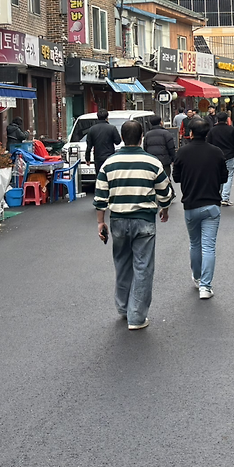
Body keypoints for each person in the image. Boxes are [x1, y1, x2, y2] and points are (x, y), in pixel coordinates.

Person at [94, 119, 173, 330]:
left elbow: (100, 196)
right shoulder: (152, 162)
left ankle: (122, 307)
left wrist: (101, 222)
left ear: (121, 138)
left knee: (122, 263)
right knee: (143, 266)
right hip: (144, 220)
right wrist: (164, 209)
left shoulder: (109, 163)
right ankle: (136, 316)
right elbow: (165, 192)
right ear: (141, 138)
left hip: (118, 219)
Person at [173, 117, 229, 299]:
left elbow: (176, 177)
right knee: (209, 246)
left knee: (195, 243)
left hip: (190, 204)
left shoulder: (182, 152)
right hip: (212, 204)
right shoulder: (216, 152)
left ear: (190, 133)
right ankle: (205, 287)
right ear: (207, 133)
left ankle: (197, 277)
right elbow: (224, 177)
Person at [206, 109, 234, 206]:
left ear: (217, 119)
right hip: (230, 155)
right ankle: (225, 197)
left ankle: (218, 195)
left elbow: (208, 144)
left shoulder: (212, 131)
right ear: (227, 119)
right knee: (229, 176)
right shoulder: (232, 130)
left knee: (218, 176)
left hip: (216, 157)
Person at [84, 108, 122, 175]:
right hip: (110, 157)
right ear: (107, 118)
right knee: (110, 175)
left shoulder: (92, 129)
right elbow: (118, 142)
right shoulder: (112, 128)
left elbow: (89, 146)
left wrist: (87, 159)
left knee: (99, 176)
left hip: (98, 158)